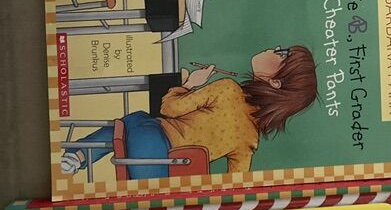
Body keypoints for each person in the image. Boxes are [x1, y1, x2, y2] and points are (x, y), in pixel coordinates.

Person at [60, 47, 318, 179]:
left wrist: (189, 84)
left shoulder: (229, 89)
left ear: (275, 82)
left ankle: (78, 156)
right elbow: (235, 185)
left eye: (281, 54)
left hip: (145, 143)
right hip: (160, 178)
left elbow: (169, 109)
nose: (274, 48)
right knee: (136, 125)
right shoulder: (250, 141)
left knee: (136, 119)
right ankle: (78, 157)